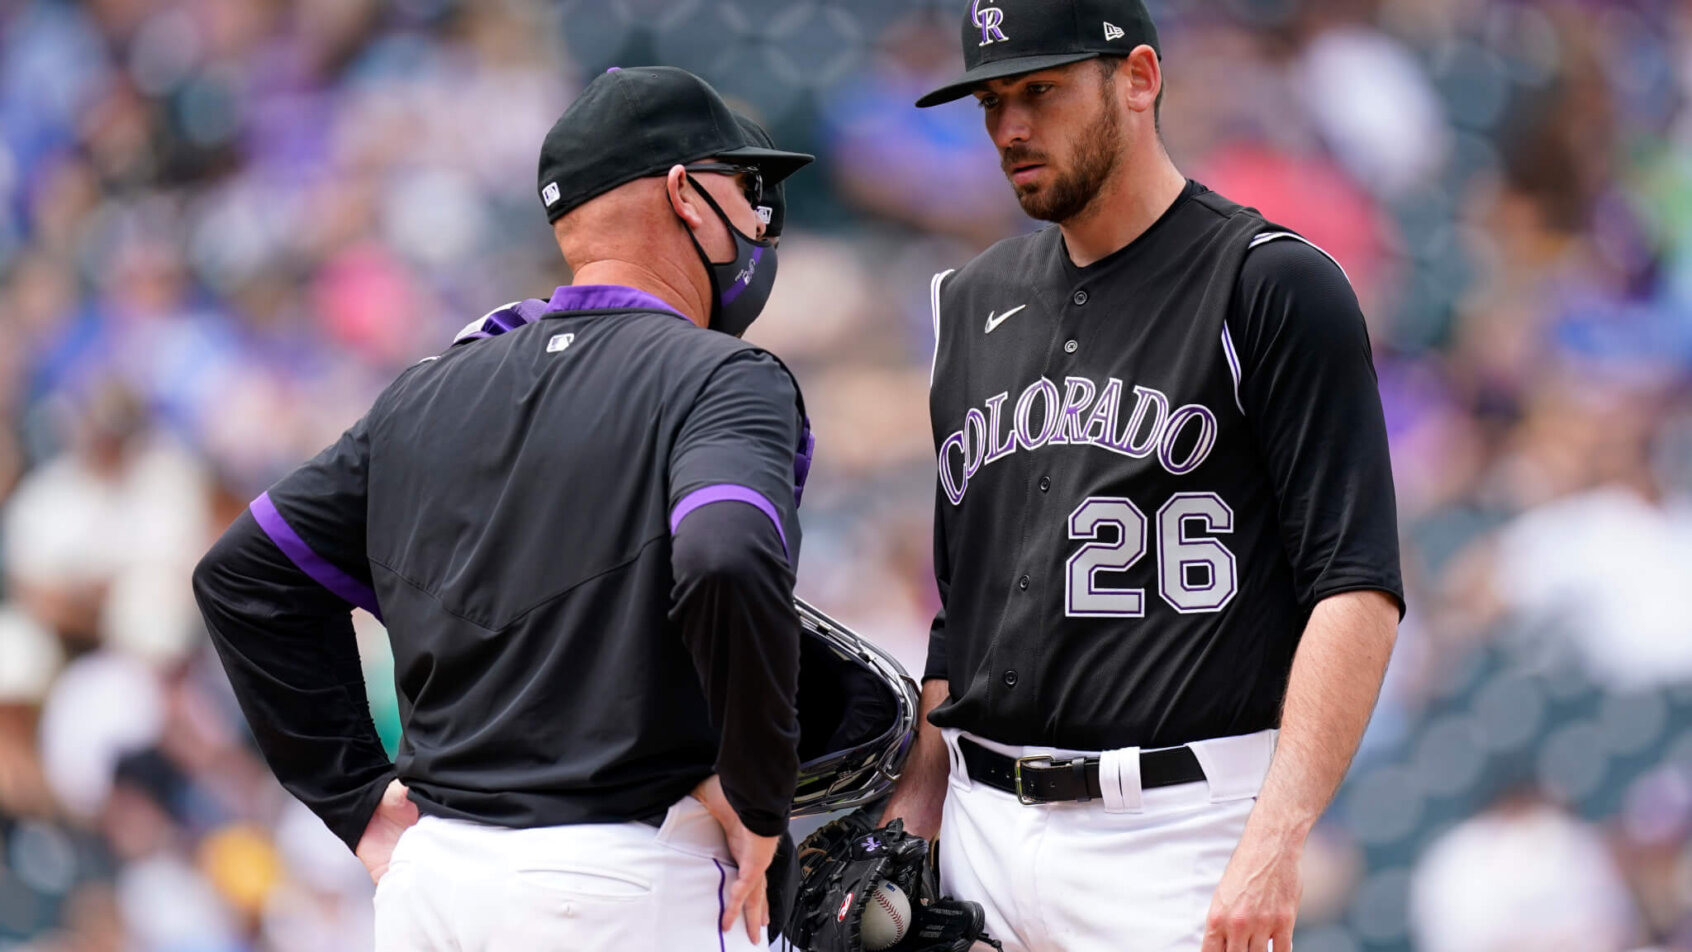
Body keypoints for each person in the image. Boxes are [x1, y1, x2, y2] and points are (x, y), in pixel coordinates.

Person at [192, 65, 814, 951]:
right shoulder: (720, 376)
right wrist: (759, 791)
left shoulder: (425, 390)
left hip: (436, 889)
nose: (758, 218)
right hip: (626, 882)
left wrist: (356, 796)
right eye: (745, 188)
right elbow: (723, 553)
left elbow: (242, 575)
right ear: (683, 192)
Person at [880, 3, 1405, 952]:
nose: (1010, 128)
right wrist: (913, 821)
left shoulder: (1269, 283)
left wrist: (1274, 843)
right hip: (983, 828)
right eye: (991, 100)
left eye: (1040, 90)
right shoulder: (967, 305)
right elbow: (961, 618)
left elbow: (1356, 589)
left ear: (1139, 78)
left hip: (1183, 830)